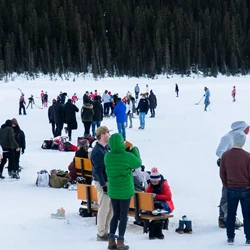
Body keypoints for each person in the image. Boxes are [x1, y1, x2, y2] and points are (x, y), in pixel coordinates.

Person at [104, 133, 142, 249]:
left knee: (115, 215)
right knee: (123, 216)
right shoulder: (126, 156)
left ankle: (111, 240)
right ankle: (120, 241)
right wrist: (134, 149)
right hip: (125, 191)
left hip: (113, 190)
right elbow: (138, 163)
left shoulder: (107, 156)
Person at [216, 121, 249, 228]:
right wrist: (229, 160)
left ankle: (228, 217)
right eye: (247, 128)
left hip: (237, 169)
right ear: (242, 128)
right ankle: (223, 218)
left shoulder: (238, 137)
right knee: (226, 193)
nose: (249, 130)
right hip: (229, 169)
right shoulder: (228, 137)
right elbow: (219, 151)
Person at [220, 132, 250, 245]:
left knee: (231, 214)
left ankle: (230, 238)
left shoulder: (225, 155)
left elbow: (222, 173)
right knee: (247, 215)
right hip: (246, 189)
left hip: (231, 188)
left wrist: (227, 185)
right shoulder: (248, 156)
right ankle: (248, 238)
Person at [91, 126, 112, 241]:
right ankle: (101, 232)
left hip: (108, 181)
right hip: (102, 182)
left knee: (110, 209)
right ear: (102, 135)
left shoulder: (105, 148)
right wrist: (104, 185)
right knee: (104, 208)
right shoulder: (97, 151)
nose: (109, 134)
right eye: (108, 132)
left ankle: (106, 230)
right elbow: (98, 170)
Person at [146, 167, 175, 240]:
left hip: (165, 204)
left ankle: (154, 230)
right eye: (152, 181)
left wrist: (156, 196)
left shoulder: (164, 184)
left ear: (159, 180)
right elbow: (147, 194)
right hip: (155, 205)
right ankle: (156, 231)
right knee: (156, 210)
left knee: (159, 210)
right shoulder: (150, 184)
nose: (154, 183)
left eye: (155, 181)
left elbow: (168, 197)